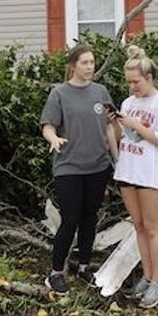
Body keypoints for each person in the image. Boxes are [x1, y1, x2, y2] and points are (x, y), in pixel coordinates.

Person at [40, 45, 118, 295]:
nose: (90, 67)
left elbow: (109, 128)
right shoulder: (59, 94)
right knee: (70, 218)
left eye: (92, 62)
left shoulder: (101, 92)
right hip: (69, 167)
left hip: (98, 166)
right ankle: (55, 274)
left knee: (89, 217)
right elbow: (48, 126)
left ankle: (84, 267)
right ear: (73, 65)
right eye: (84, 63)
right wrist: (53, 138)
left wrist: (116, 159)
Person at [111, 45, 158, 309]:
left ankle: (156, 283)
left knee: (152, 227)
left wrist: (136, 125)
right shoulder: (128, 103)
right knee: (137, 226)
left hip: (151, 173)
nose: (132, 88)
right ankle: (146, 275)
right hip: (128, 169)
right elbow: (123, 136)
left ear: (149, 78)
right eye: (128, 82)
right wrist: (116, 123)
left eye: (136, 82)